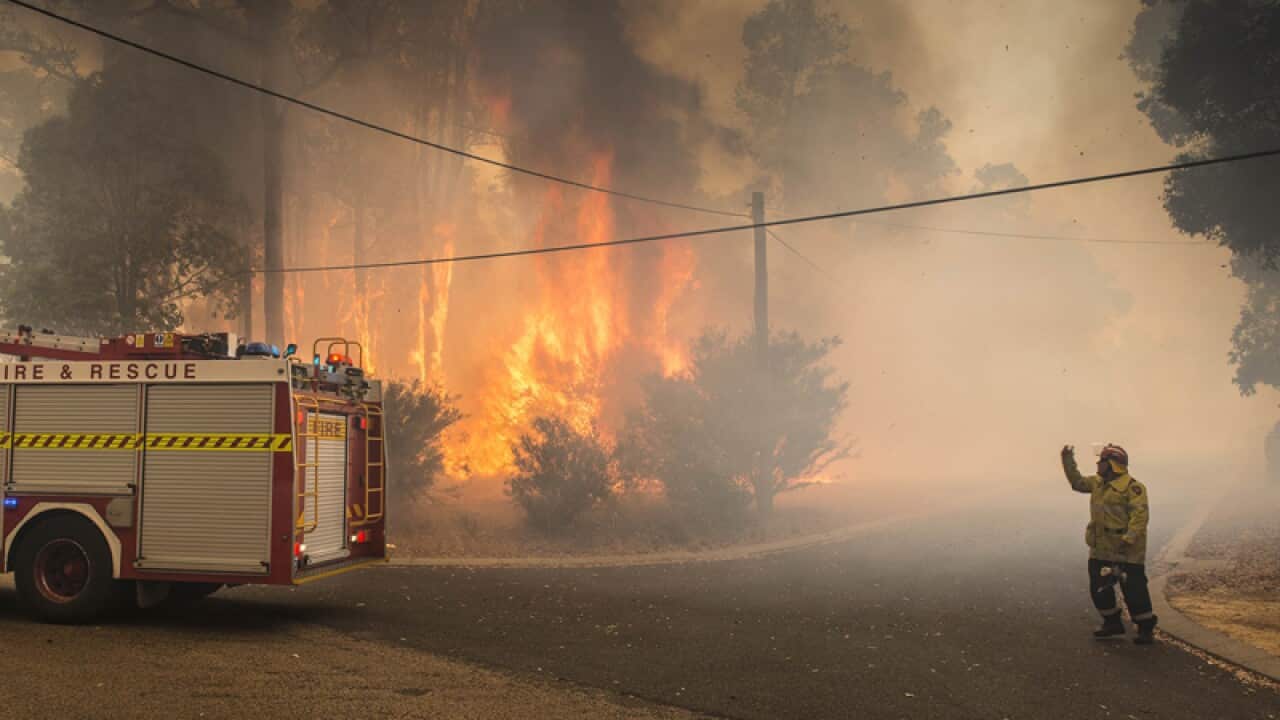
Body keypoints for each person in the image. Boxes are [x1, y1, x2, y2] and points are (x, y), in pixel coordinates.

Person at [1060, 443, 1158, 644]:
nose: (1098, 464)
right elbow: (1077, 483)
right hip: (1100, 550)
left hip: (1127, 551)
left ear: (1113, 464)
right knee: (1099, 588)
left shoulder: (1134, 488)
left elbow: (1140, 517)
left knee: (1134, 590)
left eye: (1102, 461)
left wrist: (1128, 539)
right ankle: (1112, 622)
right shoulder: (1097, 483)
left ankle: (1145, 628)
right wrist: (1067, 460)